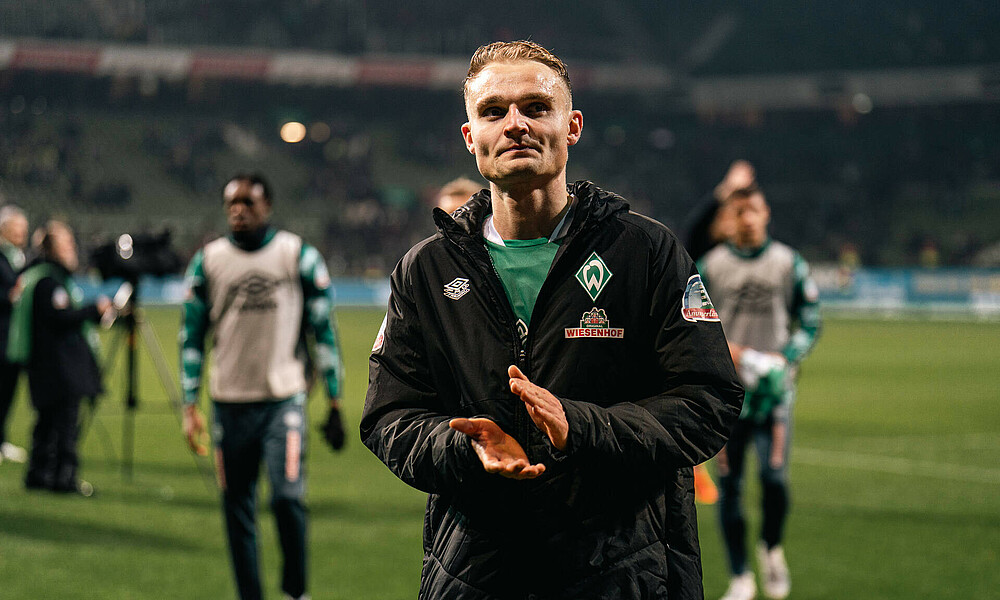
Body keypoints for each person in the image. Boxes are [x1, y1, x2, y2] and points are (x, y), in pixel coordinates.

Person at [361, 40, 743, 599]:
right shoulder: (425, 270)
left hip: (623, 575)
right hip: (477, 577)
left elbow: (709, 399)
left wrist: (580, 426)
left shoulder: (646, 252)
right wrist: (463, 449)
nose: (514, 123)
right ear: (471, 139)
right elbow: (389, 415)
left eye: (536, 107)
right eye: (493, 111)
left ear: (573, 126)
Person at [180, 173, 345, 600]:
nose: (238, 210)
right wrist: (188, 403)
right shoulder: (208, 261)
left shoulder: (297, 256)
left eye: (248, 202)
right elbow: (191, 336)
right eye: (231, 202)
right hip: (227, 404)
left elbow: (322, 329)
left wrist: (334, 397)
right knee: (237, 509)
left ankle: (295, 592)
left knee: (288, 499)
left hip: (282, 402)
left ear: (267, 206)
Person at [697, 185, 821, 600]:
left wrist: (786, 359)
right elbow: (691, 321)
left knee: (774, 480)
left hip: (773, 396)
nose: (747, 218)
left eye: (754, 210)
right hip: (726, 398)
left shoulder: (789, 263)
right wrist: (725, 351)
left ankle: (771, 547)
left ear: (767, 214)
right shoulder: (709, 267)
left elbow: (811, 319)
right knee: (730, 488)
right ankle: (740, 577)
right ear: (729, 218)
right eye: (739, 211)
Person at [7, 220, 109, 494]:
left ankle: (38, 474)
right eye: (67, 244)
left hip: (45, 365)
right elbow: (59, 317)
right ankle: (64, 477)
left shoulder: (38, 277)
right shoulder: (49, 282)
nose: (72, 249)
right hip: (58, 366)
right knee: (64, 422)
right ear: (53, 250)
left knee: (47, 422)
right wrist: (92, 311)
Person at [0, 205, 29, 464]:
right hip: (1, 334)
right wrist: (9, 296)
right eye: (16, 228)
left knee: (8, 391)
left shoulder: (18, 258)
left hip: (14, 338)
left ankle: (1, 440)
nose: (22, 233)